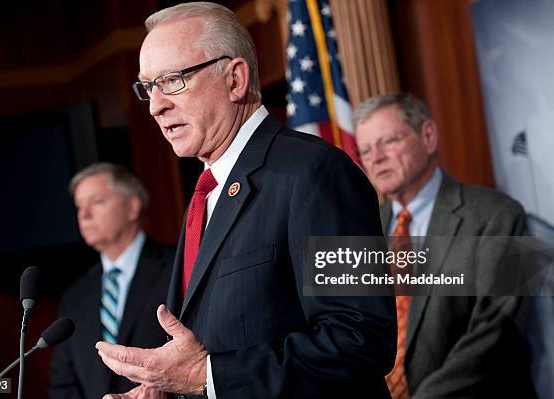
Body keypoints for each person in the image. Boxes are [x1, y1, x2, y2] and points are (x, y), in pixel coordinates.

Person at [95, 2, 396, 398]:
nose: (155, 106)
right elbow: (215, 341)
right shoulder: (208, 192)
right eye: (148, 87)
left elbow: (360, 338)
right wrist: (162, 389)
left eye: (172, 80)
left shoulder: (315, 172)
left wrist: (207, 376)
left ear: (236, 79)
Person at [354, 92, 536, 398]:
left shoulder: (497, 216)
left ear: (428, 136)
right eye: (366, 150)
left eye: (387, 142)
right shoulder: (364, 229)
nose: (376, 158)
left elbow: (498, 329)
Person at [48, 163, 175, 399]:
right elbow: (63, 386)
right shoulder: (74, 296)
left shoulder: (178, 268)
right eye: (79, 207)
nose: (83, 215)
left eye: (96, 202)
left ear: (132, 207)